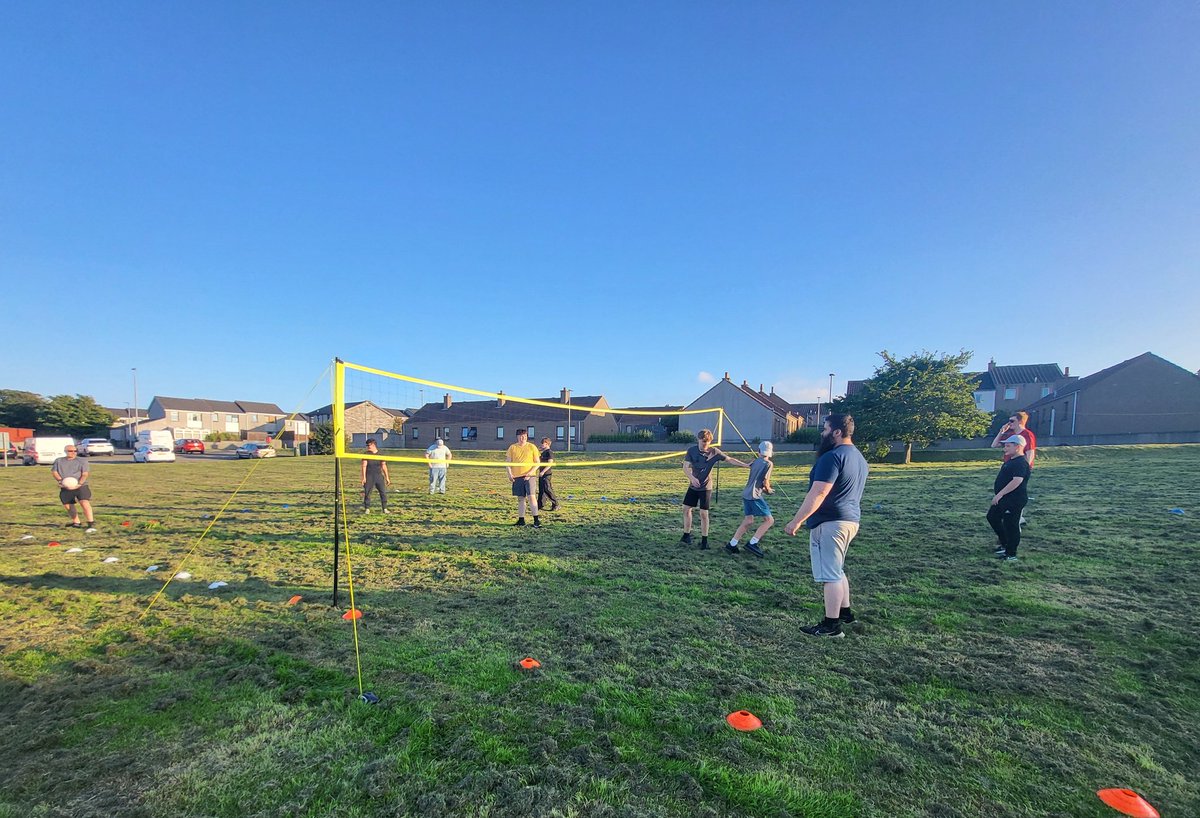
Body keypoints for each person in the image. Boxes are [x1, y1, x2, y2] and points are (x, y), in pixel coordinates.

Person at [783, 414, 869, 638]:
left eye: (825, 429)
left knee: (830, 575)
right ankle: (846, 614)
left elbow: (819, 492)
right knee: (837, 569)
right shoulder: (859, 457)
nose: (822, 433)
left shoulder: (832, 457)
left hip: (830, 523)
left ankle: (831, 626)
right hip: (850, 520)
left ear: (837, 432)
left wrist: (797, 521)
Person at [680, 429, 749, 550]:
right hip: (693, 486)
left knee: (703, 513)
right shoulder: (691, 451)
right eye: (703, 442)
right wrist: (692, 478)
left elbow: (730, 459)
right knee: (686, 509)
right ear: (698, 440)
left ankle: (704, 541)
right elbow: (685, 467)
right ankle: (686, 535)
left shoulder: (715, 452)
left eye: (707, 442)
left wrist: (745, 465)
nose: (705, 445)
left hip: (706, 487)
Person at [726, 441, 775, 558]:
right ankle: (753, 543)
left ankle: (732, 544)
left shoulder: (755, 461)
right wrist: (768, 490)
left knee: (748, 521)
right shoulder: (769, 463)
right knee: (769, 520)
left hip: (746, 494)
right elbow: (765, 481)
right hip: (755, 495)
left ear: (759, 451)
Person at [988, 435, 1031, 562]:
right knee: (992, 517)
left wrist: (1000, 494)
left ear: (1018, 447)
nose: (1004, 448)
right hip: (1004, 499)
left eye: (1008, 446)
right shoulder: (1011, 460)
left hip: (1013, 500)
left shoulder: (1020, 462)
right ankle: (1005, 544)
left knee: (1011, 526)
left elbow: (1017, 481)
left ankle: (1011, 554)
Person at [51, 443, 96, 532]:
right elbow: (54, 472)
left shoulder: (82, 461)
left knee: (84, 502)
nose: (73, 452)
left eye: (75, 451)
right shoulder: (59, 461)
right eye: (71, 451)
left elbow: (85, 474)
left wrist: (79, 483)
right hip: (65, 486)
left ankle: (90, 523)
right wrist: (60, 481)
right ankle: (76, 522)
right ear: (65, 451)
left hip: (81, 485)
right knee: (67, 504)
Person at [506, 428, 541, 528]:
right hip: (517, 477)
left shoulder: (532, 447)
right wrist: (510, 474)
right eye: (521, 436)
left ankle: (536, 520)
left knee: (531, 497)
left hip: (530, 476)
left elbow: (537, 463)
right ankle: (521, 520)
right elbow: (508, 463)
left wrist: (530, 473)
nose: (523, 438)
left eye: (525, 436)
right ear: (517, 437)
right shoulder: (512, 447)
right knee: (521, 498)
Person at [360, 439, 390, 514]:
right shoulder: (366, 454)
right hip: (369, 476)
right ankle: (367, 508)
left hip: (378, 476)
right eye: (367, 445)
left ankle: (385, 508)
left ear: (373, 445)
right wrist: (364, 477)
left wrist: (387, 477)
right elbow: (364, 466)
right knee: (367, 493)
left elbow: (384, 466)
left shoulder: (380, 454)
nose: (367, 447)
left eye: (368, 445)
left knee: (383, 492)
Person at [537, 437, 559, 512]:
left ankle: (556, 504)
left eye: (542, 443)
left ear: (547, 444)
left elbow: (550, 463)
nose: (541, 445)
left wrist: (543, 472)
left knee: (547, 489)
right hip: (541, 473)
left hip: (546, 474)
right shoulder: (543, 452)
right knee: (541, 490)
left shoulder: (549, 452)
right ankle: (540, 505)